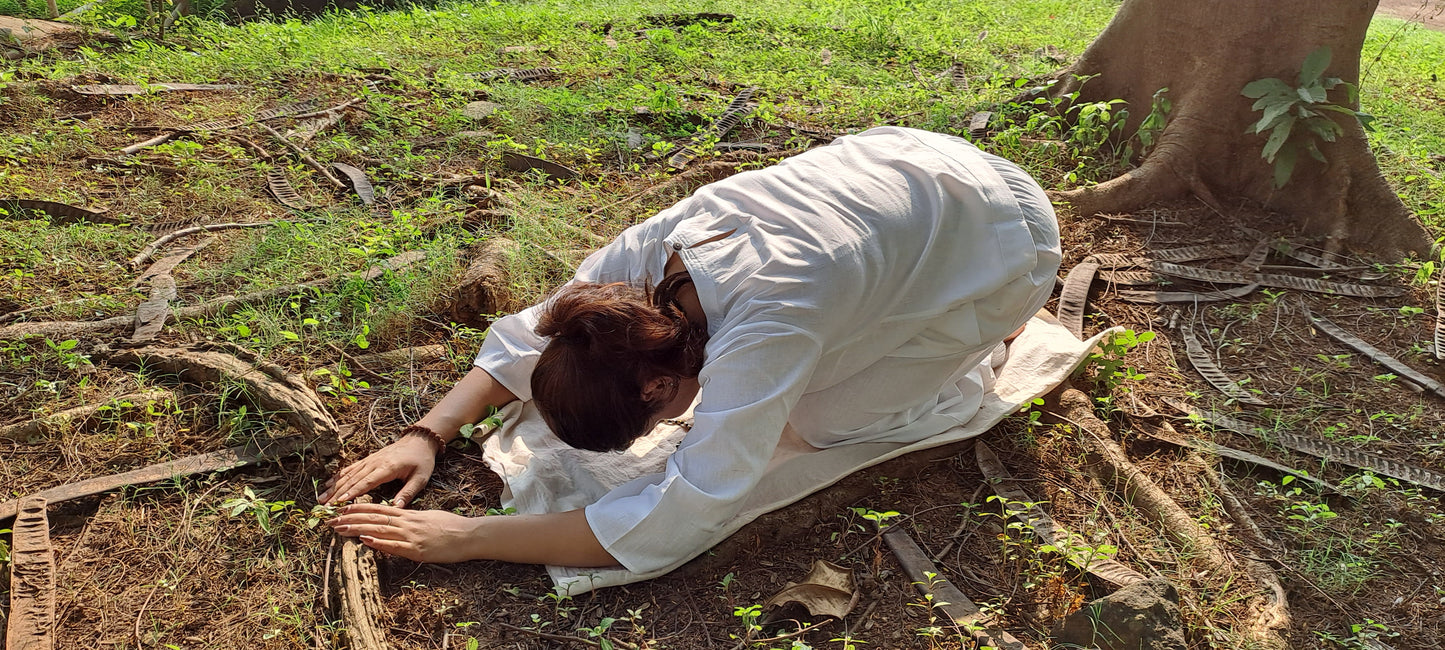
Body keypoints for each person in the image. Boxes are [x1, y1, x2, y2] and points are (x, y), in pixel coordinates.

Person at [323, 126, 1061, 574]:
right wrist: (429, 432)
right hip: (906, 164)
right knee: (823, 361)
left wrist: (470, 538)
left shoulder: (770, 326)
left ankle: (991, 323)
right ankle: (935, 297)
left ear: (654, 390)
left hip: (1007, 228)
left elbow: (694, 504)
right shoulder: (635, 273)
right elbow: (526, 334)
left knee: (827, 419)